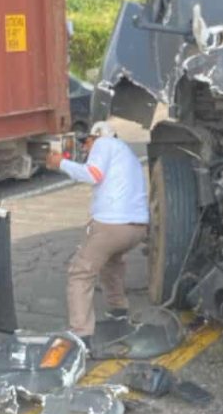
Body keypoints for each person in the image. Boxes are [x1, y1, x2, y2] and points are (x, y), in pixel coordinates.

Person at [45, 121, 148, 351]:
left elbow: (93, 174)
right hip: (137, 227)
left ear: (98, 136)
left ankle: (81, 334)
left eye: (87, 141)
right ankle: (118, 309)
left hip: (112, 225)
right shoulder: (127, 153)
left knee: (80, 273)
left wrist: (60, 162)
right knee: (111, 261)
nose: (85, 147)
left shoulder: (104, 144)